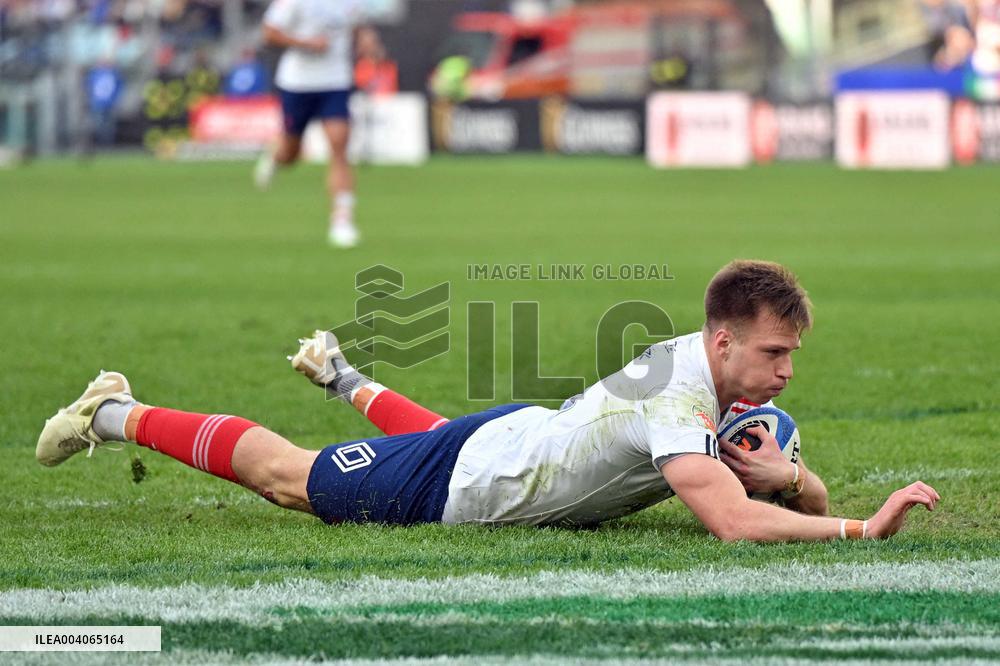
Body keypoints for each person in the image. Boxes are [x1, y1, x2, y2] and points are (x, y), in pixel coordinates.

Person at [36, 260, 939, 541]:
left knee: (435, 440)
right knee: (293, 480)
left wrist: (796, 479)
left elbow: (787, 496)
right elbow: (737, 524)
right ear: (722, 341)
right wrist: (862, 529)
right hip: (467, 481)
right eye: (773, 353)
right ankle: (112, 411)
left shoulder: (720, 396)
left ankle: (344, 379)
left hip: (506, 443)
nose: (785, 372)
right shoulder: (678, 393)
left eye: (792, 356)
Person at [252, 0, 381, 248]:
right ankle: (276, 156)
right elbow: (269, 32)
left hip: (335, 82)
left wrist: (367, 42)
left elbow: (359, 27)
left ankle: (342, 219)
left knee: (339, 145)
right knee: (291, 153)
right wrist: (306, 44)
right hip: (297, 84)